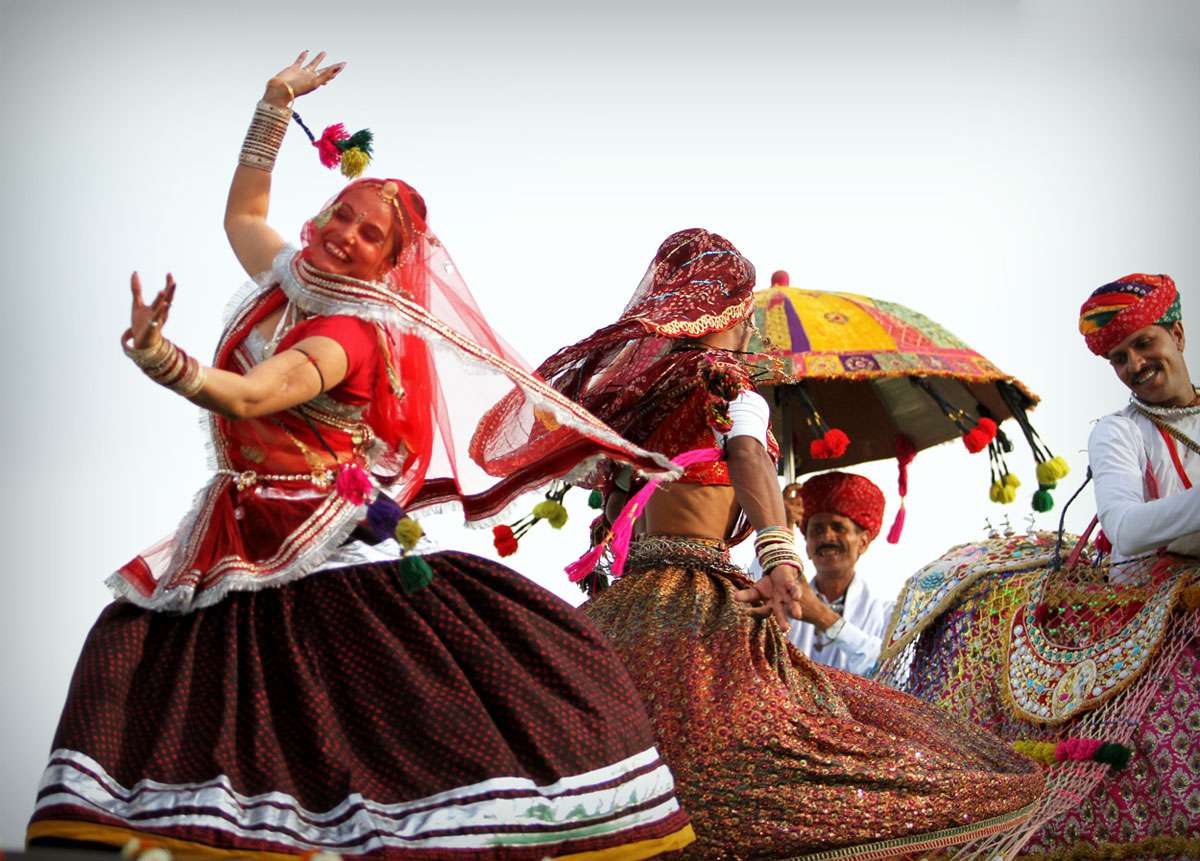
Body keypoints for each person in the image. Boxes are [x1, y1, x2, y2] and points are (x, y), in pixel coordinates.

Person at [27, 53, 695, 860]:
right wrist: (272, 107)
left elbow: (246, 396)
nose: (344, 234)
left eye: (368, 233)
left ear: (389, 262)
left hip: (311, 530)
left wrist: (158, 356)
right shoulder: (296, 278)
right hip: (240, 520)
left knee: (307, 701)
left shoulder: (346, 333)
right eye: (340, 214)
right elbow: (243, 216)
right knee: (140, 646)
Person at [492, 228, 1045, 860]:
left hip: (627, 606)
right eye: (743, 317)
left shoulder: (640, 402)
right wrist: (781, 554)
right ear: (728, 314)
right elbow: (747, 451)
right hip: (699, 599)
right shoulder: (729, 384)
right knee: (767, 749)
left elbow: (617, 508)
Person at [1081, 274, 1199, 564]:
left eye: (1144, 343)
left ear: (1178, 336)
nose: (1135, 365)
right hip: (1153, 595)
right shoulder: (1117, 431)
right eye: (1120, 359)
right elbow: (1124, 529)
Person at [769, 471, 892, 675]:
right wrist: (781, 530)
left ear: (863, 542)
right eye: (816, 529)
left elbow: (889, 671)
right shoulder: (785, 595)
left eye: (838, 528)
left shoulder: (886, 615)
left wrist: (823, 617)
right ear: (807, 547)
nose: (826, 536)